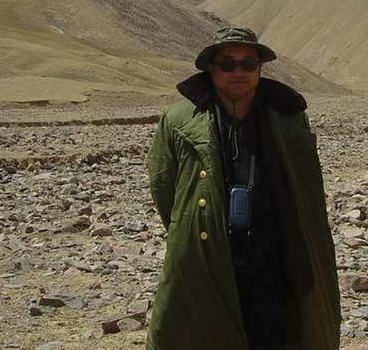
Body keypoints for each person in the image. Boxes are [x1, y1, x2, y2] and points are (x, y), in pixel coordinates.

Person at [145, 26, 341, 350]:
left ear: (259, 69)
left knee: (273, 332)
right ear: (211, 68)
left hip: (271, 254)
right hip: (208, 250)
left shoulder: (289, 117)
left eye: (248, 64)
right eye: (228, 64)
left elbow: (305, 184)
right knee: (203, 328)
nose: (239, 72)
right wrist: (193, 226)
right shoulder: (178, 120)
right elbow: (163, 185)